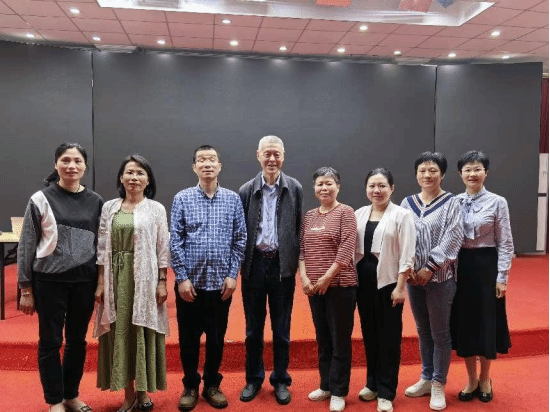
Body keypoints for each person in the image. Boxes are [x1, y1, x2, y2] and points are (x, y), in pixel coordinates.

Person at [18, 143, 104, 412]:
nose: (71, 166)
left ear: (85, 167)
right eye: (65, 160)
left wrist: (101, 282)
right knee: (51, 342)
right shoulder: (40, 199)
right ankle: (54, 400)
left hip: (84, 282)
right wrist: (25, 288)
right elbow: (26, 245)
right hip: (49, 282)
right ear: (56, 165)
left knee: (77, 342)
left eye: (77, 161)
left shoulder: (96, 201)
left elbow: (102, 245)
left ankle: (70, 396)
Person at [171, 145, 247, 411]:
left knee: (216, 339)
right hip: (189, 286)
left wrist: (232, 275)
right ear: (194, 167)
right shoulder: (182, 198)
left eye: (212, 159)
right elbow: (175, 241)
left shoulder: (232, 199)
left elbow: (240, 239)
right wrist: (181, 278)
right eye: (201, 160)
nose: (207, 164)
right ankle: (190, 385)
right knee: (188, 340)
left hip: (220, 285)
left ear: (220, 165)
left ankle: (212, 385)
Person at [93, 155, 170, 412]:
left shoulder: (156, 209)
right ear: (121, 178)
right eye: (129, 172)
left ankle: (143, 391)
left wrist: (162, 281)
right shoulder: (110, 207)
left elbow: (163, 248)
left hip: (145, 279)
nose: (134, 177)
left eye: (140, 173)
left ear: (148, 180)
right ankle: (128, 394)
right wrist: (101, 282)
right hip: (115, 279)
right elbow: (101, 246)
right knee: (120, 331)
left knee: (142, 330)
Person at [238, 135, 303, 405]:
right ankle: (254, 379)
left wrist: (293, 262)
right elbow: (241, 231)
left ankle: (280, 379)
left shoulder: (294, 188)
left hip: (281, 266)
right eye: (267, 154)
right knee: (253, 329)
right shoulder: (246, 190)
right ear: (258, 155)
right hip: (254, 265)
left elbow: (298, 227)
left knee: (282, 329)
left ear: (283, 156)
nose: (272, 159)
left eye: (277, 154)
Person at [400, 152, 463, 411]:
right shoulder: (407, 202)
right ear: (416, 174)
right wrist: (408, 267)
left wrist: (430, 267)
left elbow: (453, 237)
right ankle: (426, 377)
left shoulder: (452, 203)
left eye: (433, 170)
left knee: (440, 333)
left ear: (443, 174)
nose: (427, 175)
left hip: (440, 278)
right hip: (413, 279)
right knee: (422, 330)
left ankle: (438, 383)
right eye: (422, 170)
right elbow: (401, 236)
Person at [451, 150, 513, 403]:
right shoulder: (453, 201)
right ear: (460, 174)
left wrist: (502, 277)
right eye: (467, 169)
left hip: (487, 266)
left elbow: (506, 242)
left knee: (487, 323)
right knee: (466, 323)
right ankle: (471, 379)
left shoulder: (498, 202)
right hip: (461, 267)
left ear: (486, 172)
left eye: (477, 169)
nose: (472, 174)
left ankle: (485, 378)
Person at [355, 168, 416, 412]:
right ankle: (372, 383)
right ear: (366, 189)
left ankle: (386, 391)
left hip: (389, 282)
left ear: (392, 188)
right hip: (363, 281)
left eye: (382, 186)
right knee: (369, 334)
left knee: (389, 337)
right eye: (372, 186)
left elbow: (407, 254)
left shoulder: (402, 215)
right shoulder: (359, 213)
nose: (376, 190)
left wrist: (401, 287)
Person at [299, 167, 357, 412]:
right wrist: (304, 277)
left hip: (340, 287)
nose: (324, 188)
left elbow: (346, 250)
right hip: (314, 289)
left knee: (340, 340)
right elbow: (302, 249)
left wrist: (326, 278)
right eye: (320, 184)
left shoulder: (346, 212)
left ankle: (339, 391)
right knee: (323, 339)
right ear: (314, 188)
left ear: (338, 186)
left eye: (329, 183)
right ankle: (325, 385)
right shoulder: (309, 216)